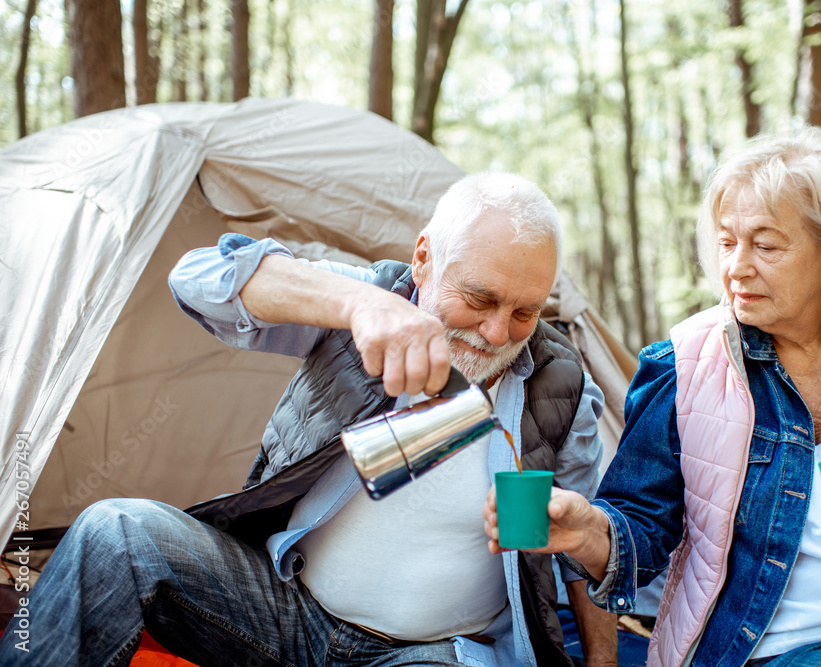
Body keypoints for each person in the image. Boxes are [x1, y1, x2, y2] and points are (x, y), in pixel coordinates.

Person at [0, 172, 619, 666]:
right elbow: (197, 280)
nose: (495, 332)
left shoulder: (559, 389)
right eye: (480, 299)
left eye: (525, 312)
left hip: (435, 653)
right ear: (425, 259)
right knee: (116, 532)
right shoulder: (363, 304)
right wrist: (356, 306)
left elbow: (585, 552)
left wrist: (603, 657)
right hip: (286, 608)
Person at [484, 127, 821, 667]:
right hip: (788, 649)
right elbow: (640, 529)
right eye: (728, 242)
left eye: (767, 244)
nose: (736, 267)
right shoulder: (684, 365)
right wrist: (587, 529)